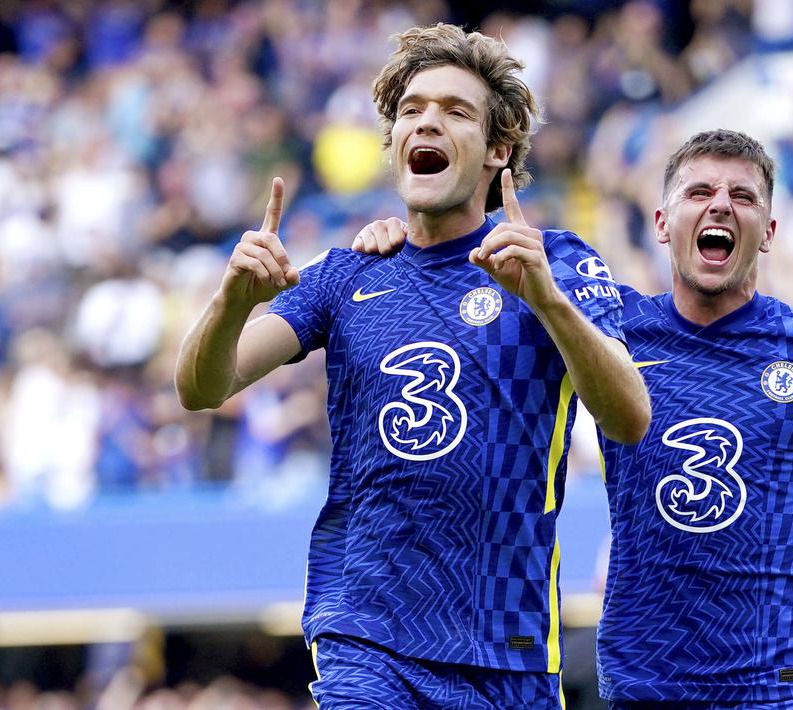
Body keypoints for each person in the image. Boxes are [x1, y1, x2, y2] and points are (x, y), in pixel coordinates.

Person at [353, 129, 793, 709]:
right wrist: (408, 238)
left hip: (783, 684)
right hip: (646, 683)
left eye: (743, 196)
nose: (720, 206)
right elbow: (461, 299)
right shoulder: (606, 334)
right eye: (699, 192)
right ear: (662, 222)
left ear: (767, 229)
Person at [175, 24, 650, 709]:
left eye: (455, 111)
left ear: (497, 151)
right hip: (366, 639)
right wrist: (230, 301)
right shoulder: (345, 274)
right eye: (411, 110)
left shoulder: (558, 264)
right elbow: (201, 386)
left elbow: (629, 418)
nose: (426, 121)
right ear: (394, 144)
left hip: (506, 652)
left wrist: (545, 300)